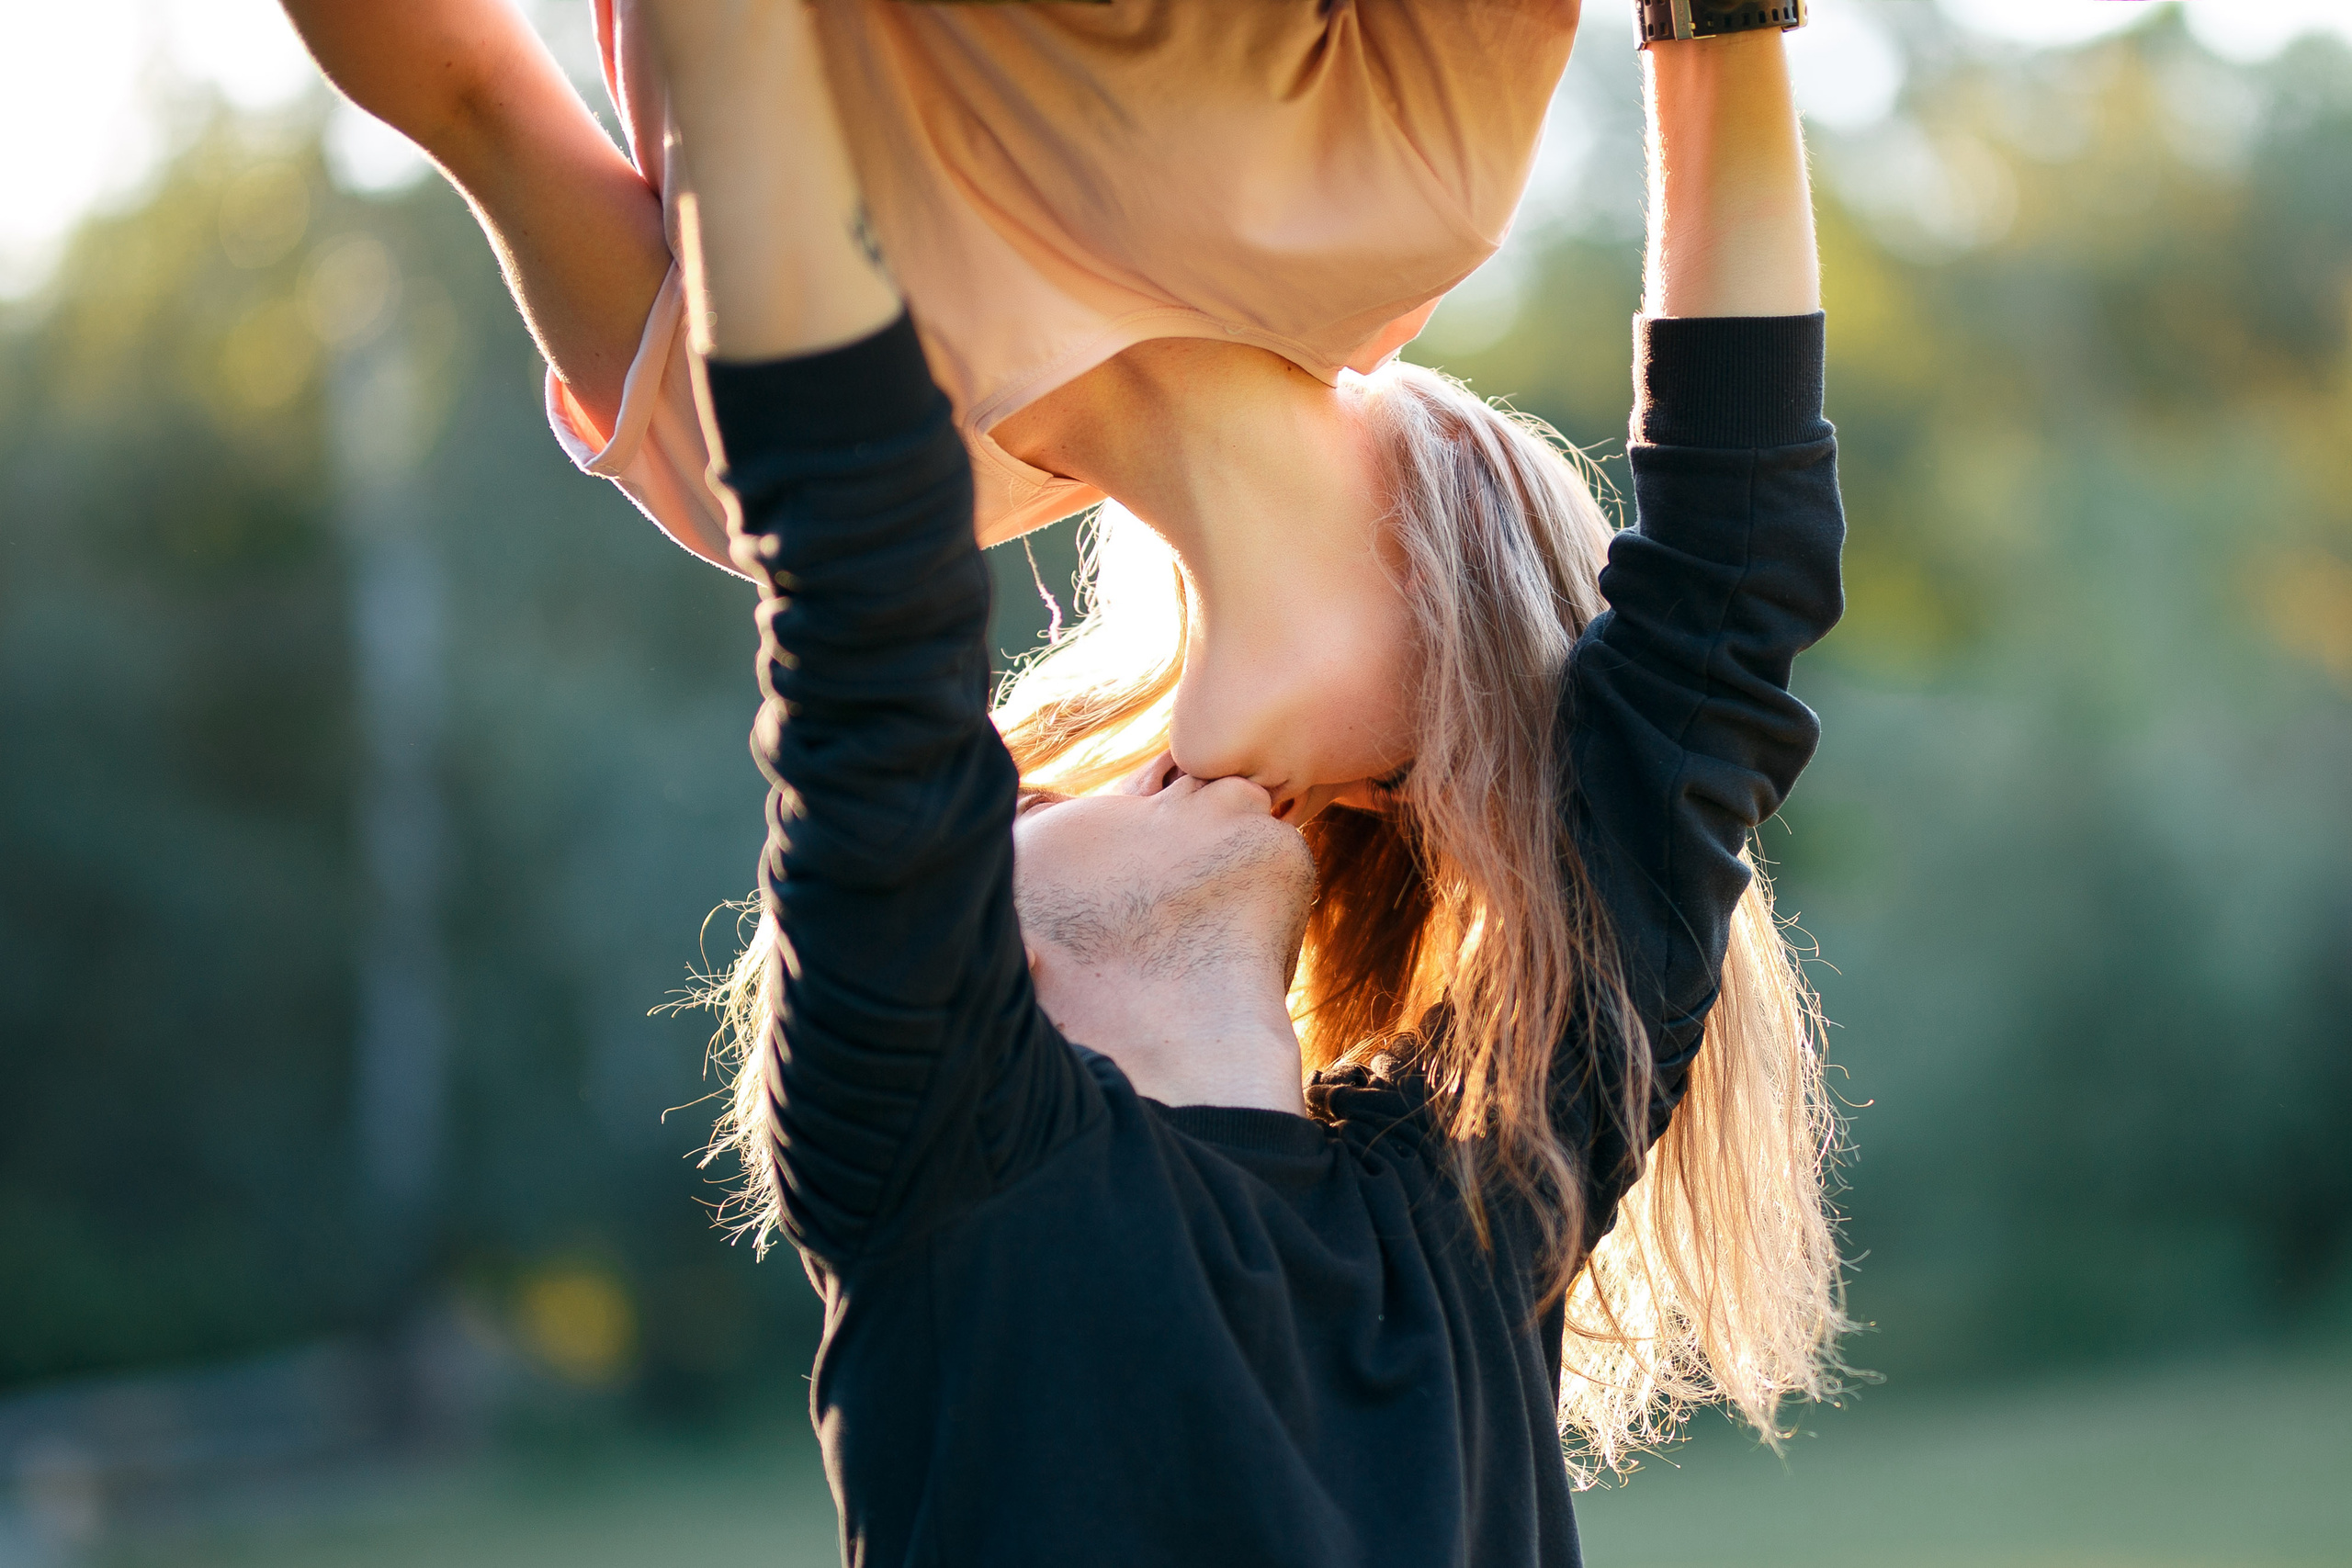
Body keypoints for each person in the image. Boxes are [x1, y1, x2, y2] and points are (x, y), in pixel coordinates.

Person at [283, 0, 1849, 1494]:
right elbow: (1728, 604)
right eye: (1377, 828)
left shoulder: (938, 1164)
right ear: (1447, 764)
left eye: (986, 809)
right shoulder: (1403, 166)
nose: (1316, 827)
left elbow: (467, 85)